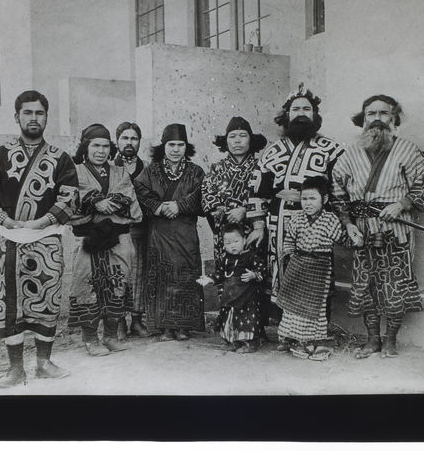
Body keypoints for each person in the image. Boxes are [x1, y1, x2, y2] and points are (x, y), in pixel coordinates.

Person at [0, 90, 79, 388]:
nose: (34, 118)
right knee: (10, 304)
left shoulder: (61, 159)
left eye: (39, 113)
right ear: (17, 116)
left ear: (46, 117)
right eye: (28, 113)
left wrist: (41, 221)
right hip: (9, 241)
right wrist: (5, 219)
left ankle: (44, 363)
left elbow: (69, 196)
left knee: (47, 299)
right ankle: (16, 369)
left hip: (47, 240)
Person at [331, 94, 424, 358]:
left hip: (395, 229)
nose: (377, 119)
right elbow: (337, 191)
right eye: (370, 114)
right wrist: (347, 224)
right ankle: (372, 339)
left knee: (394, 284)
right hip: (362, 231)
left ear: (394, 118)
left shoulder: (408, 150)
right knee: (365, 285)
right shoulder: (350, 154)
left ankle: (390, 340)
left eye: (383, 113)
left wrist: (401, 204)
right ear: (362, 120)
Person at [246, 83, 345, 313]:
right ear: (287, 116)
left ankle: (315, 329)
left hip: (317, 221)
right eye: (295, 109)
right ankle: (285, 329)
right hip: (279, 220)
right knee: (282, 266)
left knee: (314, 269)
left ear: (315, 115)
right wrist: (259, 225)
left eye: (306, 109)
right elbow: (257, 189)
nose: (301, 113)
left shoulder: (331, 149)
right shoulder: (273, 150)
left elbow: (341, 190)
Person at [67, 124, 143, 356]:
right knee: (87, 285)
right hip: (88, 239)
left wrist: (102, 204)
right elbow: (69, 203)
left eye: (105, 146)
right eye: (95, 145)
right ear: (85, 147)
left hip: (118, 239)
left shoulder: (120, 172)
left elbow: (131, 202)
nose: (100, 150)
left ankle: (110, 336)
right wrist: (95, 202)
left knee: (117, 284)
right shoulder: (74, 172)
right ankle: (91, 339)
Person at [134, 123, 206, 341]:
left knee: (186, 275)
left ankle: (184, 326)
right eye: (171, 144)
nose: (176, 149)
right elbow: (140, 190)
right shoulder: (152, 171)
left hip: (185, 230)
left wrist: (180, 206)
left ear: (186, 146)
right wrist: (159, 207)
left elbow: (201, 194)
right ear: (163, 146)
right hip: (160, 230)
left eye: (180, 144)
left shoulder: (196, 171)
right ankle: (165, 327)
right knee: (163, 276)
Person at [275, 176, 351, 359]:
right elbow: (289, 241)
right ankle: (290, 338)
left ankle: (310, 341)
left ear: (324, 200)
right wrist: (292, 257)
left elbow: (342, 240)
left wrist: (355, 237)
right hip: (297, 265)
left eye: (312, 199)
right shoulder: (296, 218)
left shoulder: (330, 219)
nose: (307, 203)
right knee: (292, 306)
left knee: (312, 308)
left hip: (319, 268)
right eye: (304, 199)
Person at [201, 116, 267, 287]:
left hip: (252, 234)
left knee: (251, 280)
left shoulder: (261, 167)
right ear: (226, 140)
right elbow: (207, 196)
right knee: (226, 279)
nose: (237, 141)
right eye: (232, 136)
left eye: (242, 135)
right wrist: (221, 212)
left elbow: (267, 197)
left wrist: (245, 210)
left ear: (250, 139)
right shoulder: (217, 168)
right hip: (226, 234)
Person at [197, 223, 267, 354]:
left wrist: (253, 275)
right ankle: (234, 341)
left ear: (244, 240)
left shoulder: (251, 256)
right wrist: (209, 279)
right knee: (230, 318)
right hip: (230, 295)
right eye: (228, 243)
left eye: (236, 241)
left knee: (247, 320)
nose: (232, 245)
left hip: (247, 297)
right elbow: (220, 274)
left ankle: (251, 343)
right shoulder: (225, 259)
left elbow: (262, 269)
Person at [113, 122, 150, 338]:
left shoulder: (146, 168)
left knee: (138, 275)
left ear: (139, 142)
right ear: (117, 141)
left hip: (140, 230)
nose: (129, 142)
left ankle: (137, 320)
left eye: (134, 138)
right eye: (125, 138)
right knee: (117, 276)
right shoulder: (109, 166)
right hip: (115, 232)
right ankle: (118, 322)